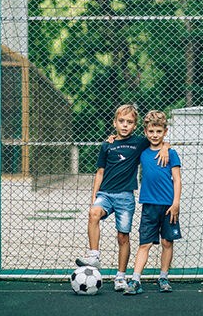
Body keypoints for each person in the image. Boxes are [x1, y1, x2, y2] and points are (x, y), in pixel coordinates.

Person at [76, 104, 169, 292]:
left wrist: (166, 147)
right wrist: (94, 195)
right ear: (114, 123)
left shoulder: (139, 142)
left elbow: (158, 139)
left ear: (135, 126)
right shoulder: (107, 145)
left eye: (129, 122)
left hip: (125, 197)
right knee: (93, 213)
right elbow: (100, 172)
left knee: (123, 237)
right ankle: (94, 255)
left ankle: (120, 276)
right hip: (105, 194)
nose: (125, 125)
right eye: (121, 121)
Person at [124, 110, 182, 295]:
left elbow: (177, 180)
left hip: (168, 206)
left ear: (165, 131)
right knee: (145, 244)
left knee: (167, 242)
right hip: (149, 205)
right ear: (146, 132)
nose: (154, 135)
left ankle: (163, 277)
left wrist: (176, 203)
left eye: (158, 132)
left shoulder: (171, 153)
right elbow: (126, 143)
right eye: (151, 132)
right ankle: (135, 281)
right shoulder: (142, 152)